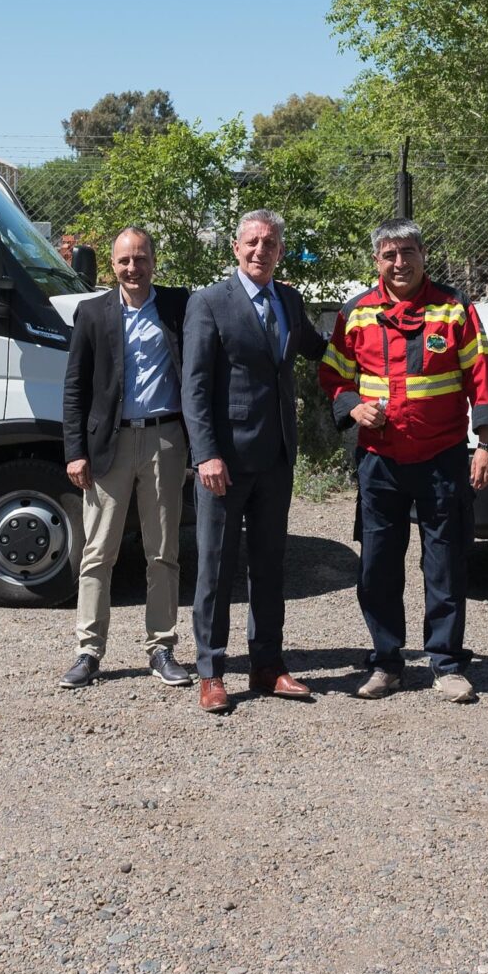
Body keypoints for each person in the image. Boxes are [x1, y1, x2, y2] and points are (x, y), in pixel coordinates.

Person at [318, 219, 488, 703]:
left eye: (408, 252)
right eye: (390, 255)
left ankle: (446, 664)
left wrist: (486, 442)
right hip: (380, 461)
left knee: (445, 565)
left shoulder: (455, 308)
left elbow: (481, 375)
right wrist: (353, 407)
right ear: (377, 260)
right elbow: (334, 374)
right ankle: (386, 662)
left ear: (423, 254)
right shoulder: (356, 313)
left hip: (442, 458)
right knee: (377, 566)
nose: (400, 263)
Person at [181, 208, 329, 714]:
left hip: (275, 459)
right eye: (252, 242)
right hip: (223, 463)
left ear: (280, 251)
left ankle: (268, 664)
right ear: (236, 248)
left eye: (269, 243)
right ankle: (211, 671)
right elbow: (194, 387)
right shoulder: (208, 303)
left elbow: (320, 349)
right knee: (216, 569)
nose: (260, 250)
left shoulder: (289, 299)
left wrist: (369, 334)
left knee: (269, 566)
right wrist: (206, 454)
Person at [58, 227, 193, 690]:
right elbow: (75, 387)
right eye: (124, 260)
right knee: (97, 553)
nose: (133, 268)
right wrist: (75, 451)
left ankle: (162, 647)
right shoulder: (93, 312)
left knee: (163, 552)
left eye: (141, 258)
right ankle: (88, 651)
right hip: (108, 446)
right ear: (112, 265)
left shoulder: (178, 306)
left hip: (165, 440)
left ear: (154, 260)